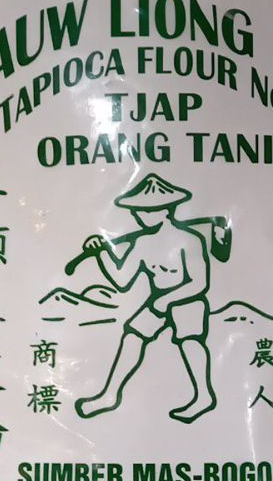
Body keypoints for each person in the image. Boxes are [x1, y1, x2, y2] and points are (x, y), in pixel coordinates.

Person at [76, 174, 217, 424]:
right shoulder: (143, 242)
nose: (139, 215)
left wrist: (167, 301)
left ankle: (204, 397)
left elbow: (199, 283)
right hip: (159, 301)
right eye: (137, 211)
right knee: (133, 335)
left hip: (188, 300)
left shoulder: (189, 239)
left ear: (165, 210)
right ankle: (109, 395)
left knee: (190, 341)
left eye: (145, 210)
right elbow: (122, 281)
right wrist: (102, 254)